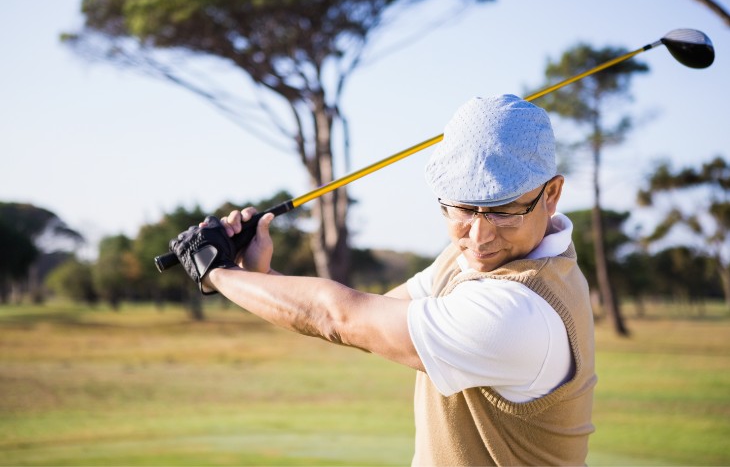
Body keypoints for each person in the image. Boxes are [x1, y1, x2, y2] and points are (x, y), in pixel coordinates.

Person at [170, 94, 596, 466]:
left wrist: (217, 272)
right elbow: (370, 313)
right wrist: (258, 275)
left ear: (552, 193)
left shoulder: (518, 313)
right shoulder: (476, 261)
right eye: (462, 209)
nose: (480, 236)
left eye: (505, 210)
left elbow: (341, 318)